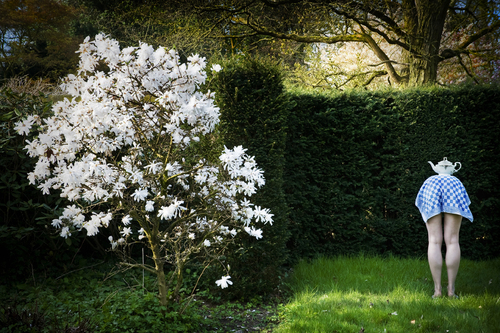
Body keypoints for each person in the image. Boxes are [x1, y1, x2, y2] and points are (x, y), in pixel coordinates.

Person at [415, 173, 473, 299]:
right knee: (453, 241)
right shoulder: (455, 180)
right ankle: (451, 291)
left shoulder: (430, 180)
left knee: (434, 241)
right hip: (454, 189)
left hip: (431, 188)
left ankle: (437, 291)